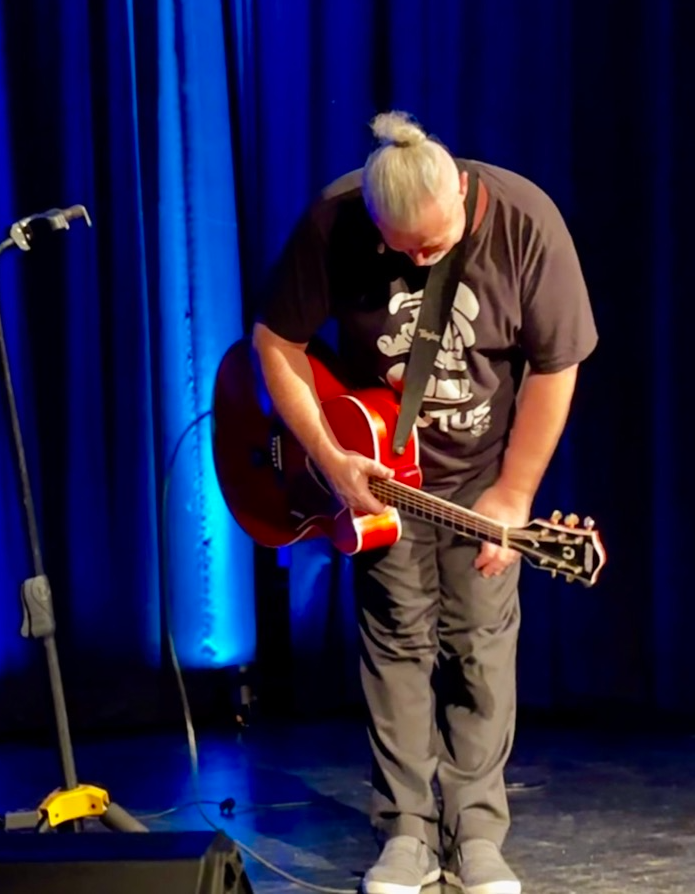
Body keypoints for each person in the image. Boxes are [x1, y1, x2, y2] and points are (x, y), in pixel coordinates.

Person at [252, 111, 597, 894]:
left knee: (479, 646)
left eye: (433, 247)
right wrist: (328, 456)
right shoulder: (336, 219)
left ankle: (476, 834)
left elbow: (557, 365)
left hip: (481, 475)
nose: (417, 261)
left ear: (460, 198)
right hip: (376, 472)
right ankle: (406, 832)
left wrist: (515, 494)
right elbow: (276, 342)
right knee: (396, 644)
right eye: (402, 251)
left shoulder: (526, 223)